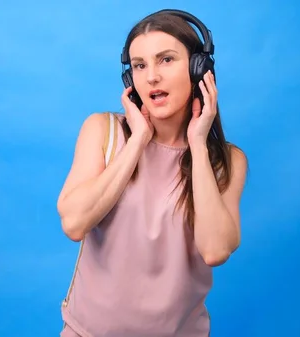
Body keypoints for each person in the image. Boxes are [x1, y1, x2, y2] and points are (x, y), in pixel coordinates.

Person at [56, 8, 248, 337]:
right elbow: (74, 224)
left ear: (199, 70)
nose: (151, 77)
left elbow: (215, 250)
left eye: (166, 60)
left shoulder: (225, 161)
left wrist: (198, 145)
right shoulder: (103, 132)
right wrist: (139, 139)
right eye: (139, 65)